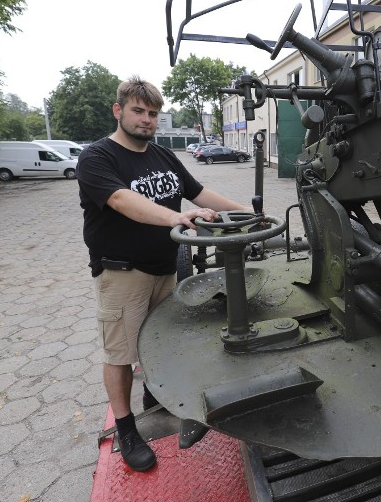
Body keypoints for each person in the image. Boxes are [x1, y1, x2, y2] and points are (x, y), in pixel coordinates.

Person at [77, 77, 248, 472]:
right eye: (138, 111)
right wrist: (177, 218)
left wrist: (246, 213)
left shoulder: (164, 157)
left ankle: (157, 399)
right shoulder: (97, 157)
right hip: (122, 273)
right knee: (120, 354)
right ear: (118, 111)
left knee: (161, 343)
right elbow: (122, 200)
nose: (147, 120)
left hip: (165, 270)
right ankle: (126, 428)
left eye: (153, 114)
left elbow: (200, 194)